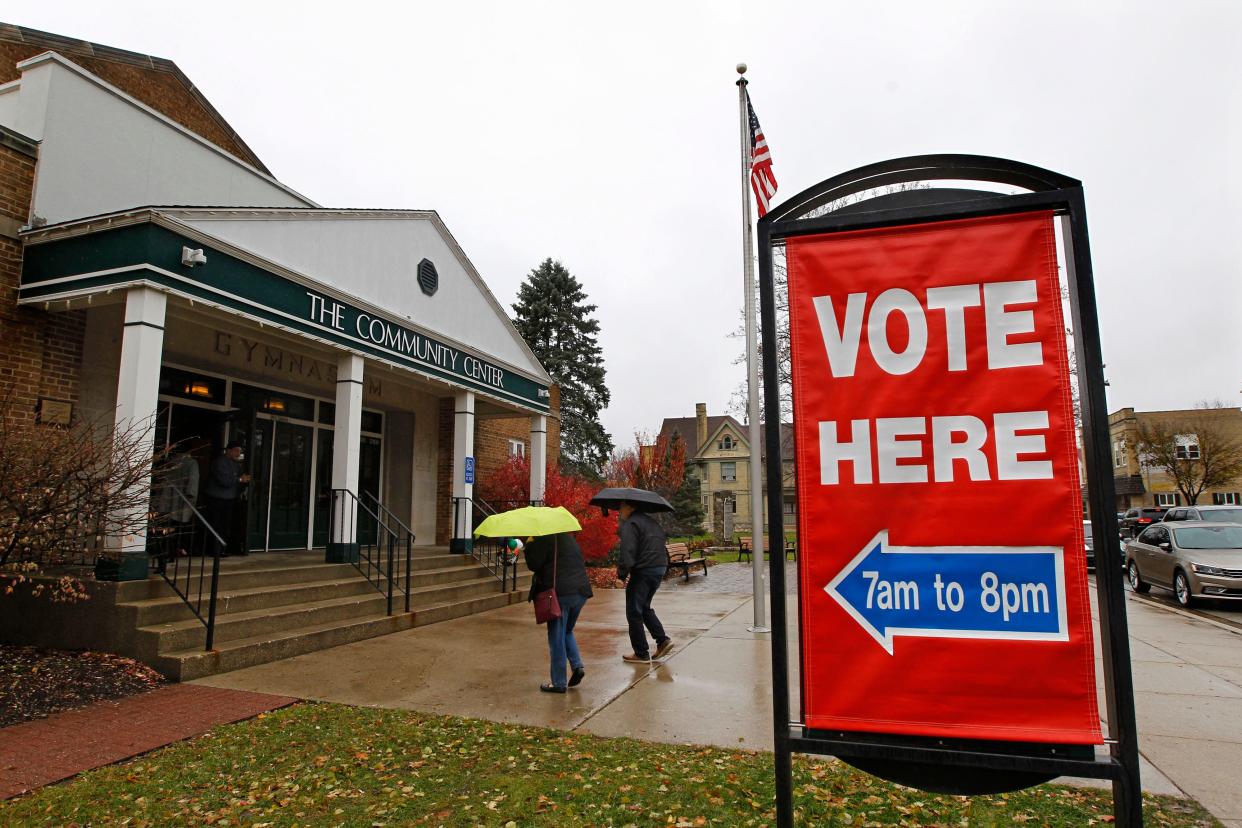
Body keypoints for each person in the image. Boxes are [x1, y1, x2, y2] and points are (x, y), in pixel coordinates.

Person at [525, 531, 592, 693]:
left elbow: (534, 564)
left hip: (560, 595)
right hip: (580, 592)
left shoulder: (542, 538)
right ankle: (577, 666)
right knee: (566, 631)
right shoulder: (567, 537)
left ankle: (559, 682)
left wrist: (528, 544)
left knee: (556, 637)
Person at [615, 501, 674, 663]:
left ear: (631, 507)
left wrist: (621, 575)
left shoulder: (631, 523)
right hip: (658, 568)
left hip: (644, 570)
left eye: (622, 507)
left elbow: (628, 550)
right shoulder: (652, 523)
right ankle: (662, 641)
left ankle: (641, 653)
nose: (619, 511)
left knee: (634, 612)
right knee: (644, 607)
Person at [203, 440, 250, 557]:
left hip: (229, 499)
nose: (238, 454)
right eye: (236, 451)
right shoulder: (220, 462)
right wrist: (239, 480)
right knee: (216, 524)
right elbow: (224, 481)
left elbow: (238, 482)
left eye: (239, 451)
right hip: (217, 499)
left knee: (226, 525)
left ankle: (223, 549)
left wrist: (243, 484)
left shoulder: (236, 465)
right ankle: (214, 550)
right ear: (228, 450)